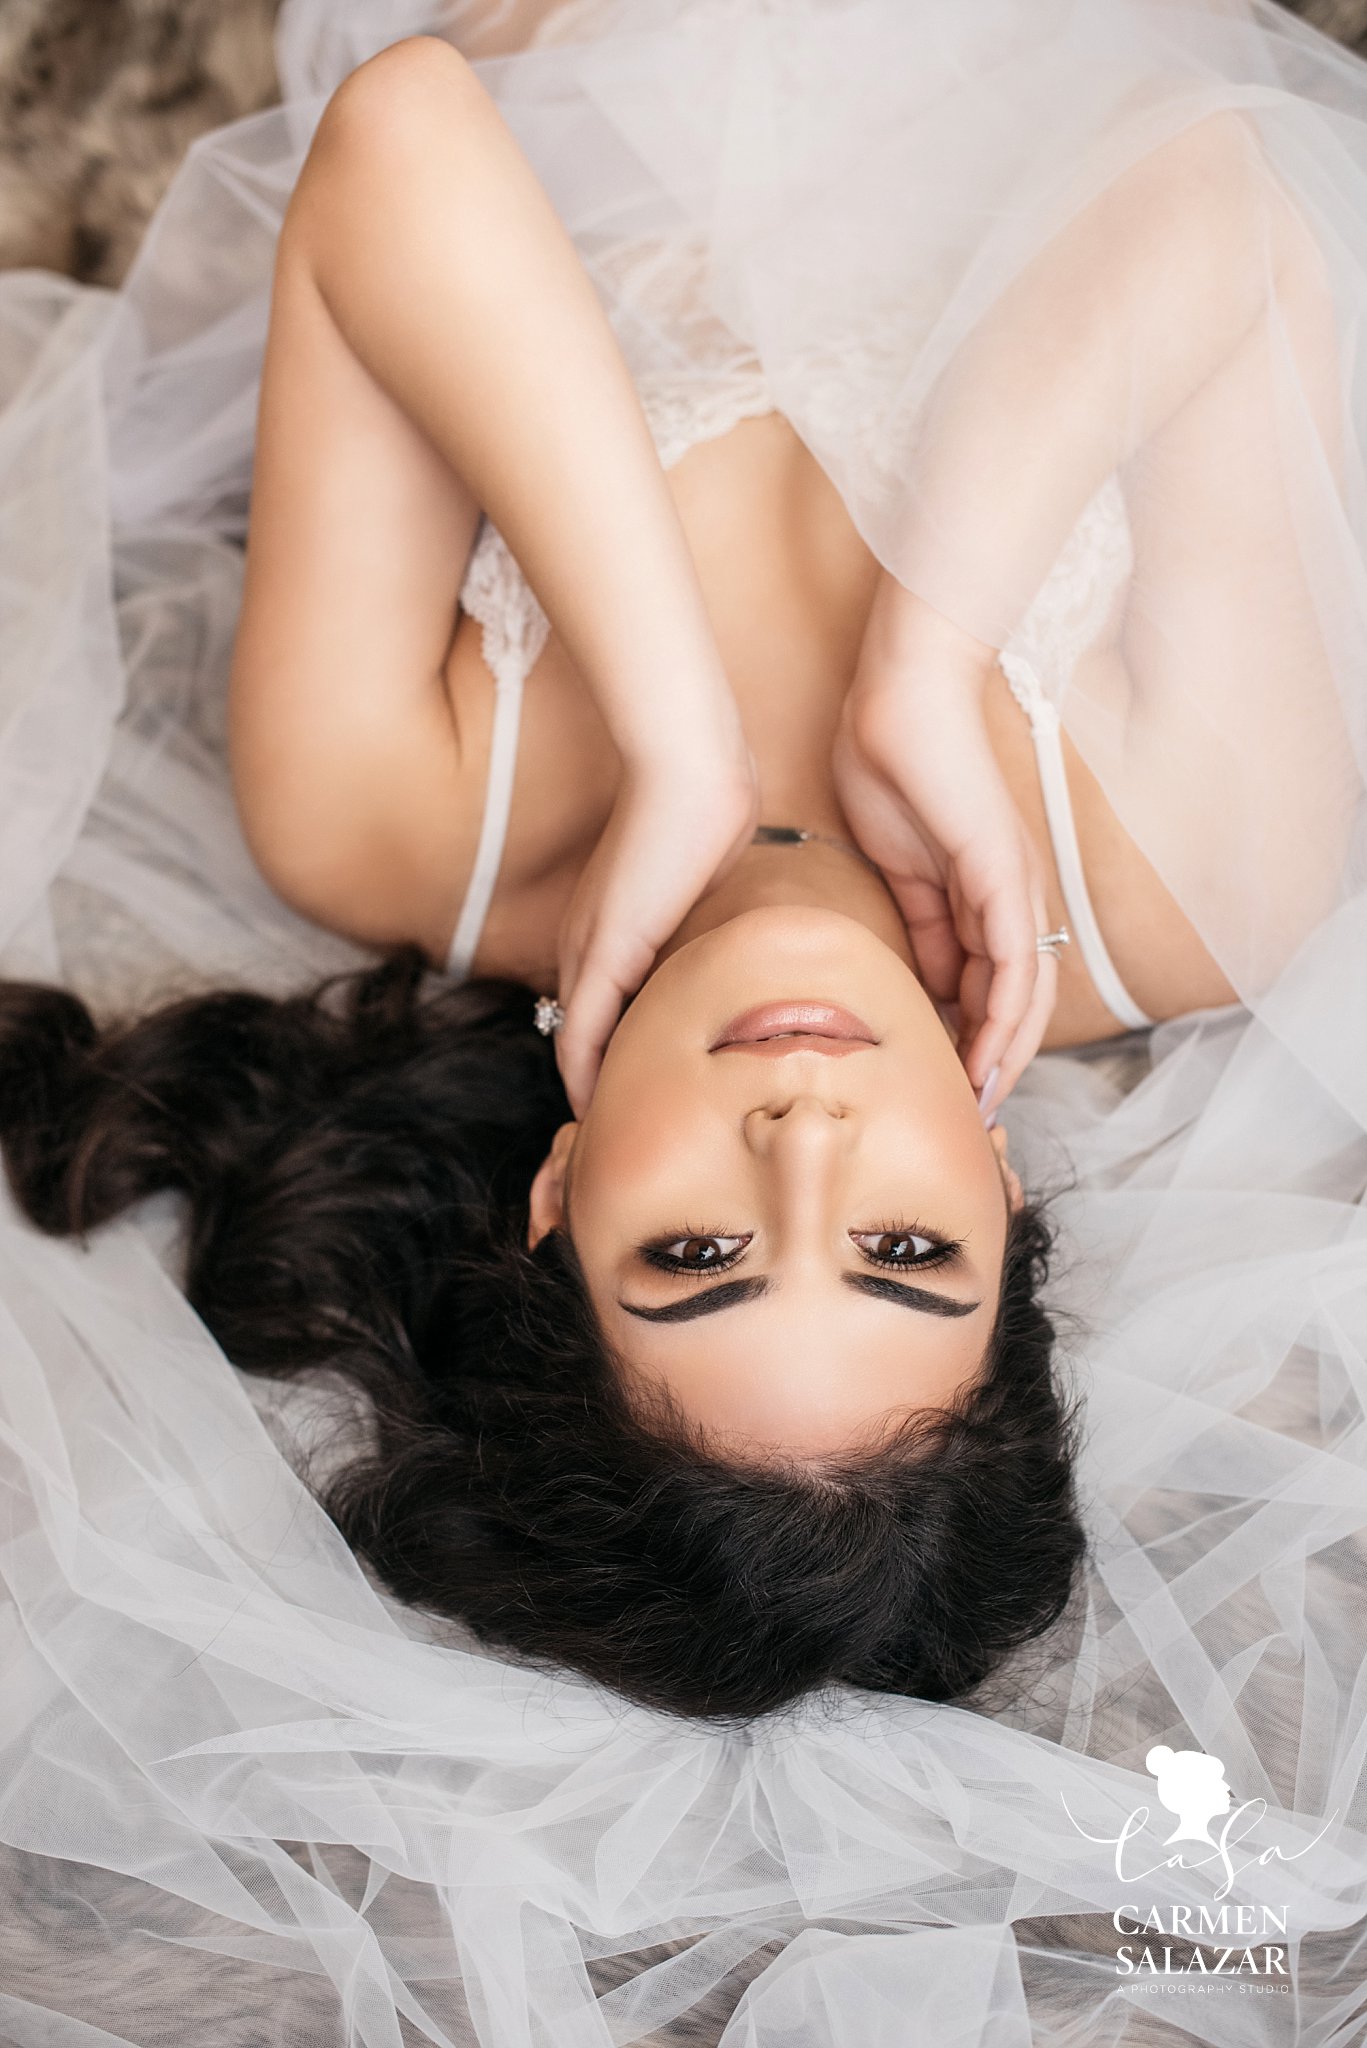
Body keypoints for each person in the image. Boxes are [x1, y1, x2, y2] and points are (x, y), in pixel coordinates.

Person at [2, 4, 1366, 2040]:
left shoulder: (382, 812)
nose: (806, 1137)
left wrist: (673, 728)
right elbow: (1216, 159)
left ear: (554, 1193)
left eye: (697, 1253)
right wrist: (929, 654)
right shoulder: (1186, 880)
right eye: (905, 1250)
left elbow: (407, 125)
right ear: (1004, 1191)